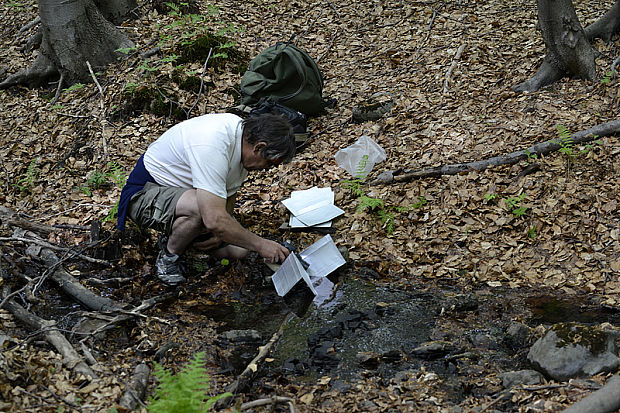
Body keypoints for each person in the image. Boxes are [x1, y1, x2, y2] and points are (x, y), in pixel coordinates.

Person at [117, 112, 293, 285]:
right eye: (271, 163)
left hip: (184, 196)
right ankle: (168, 257)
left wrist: (220, 233)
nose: (268, 169)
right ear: (259, 147)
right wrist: (261, 244)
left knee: (240, 251)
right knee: (203, 211)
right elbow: (214, 218)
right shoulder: (214, 142)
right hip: (143, 193)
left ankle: (183, 238)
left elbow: (228, 194)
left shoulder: (242, 144)